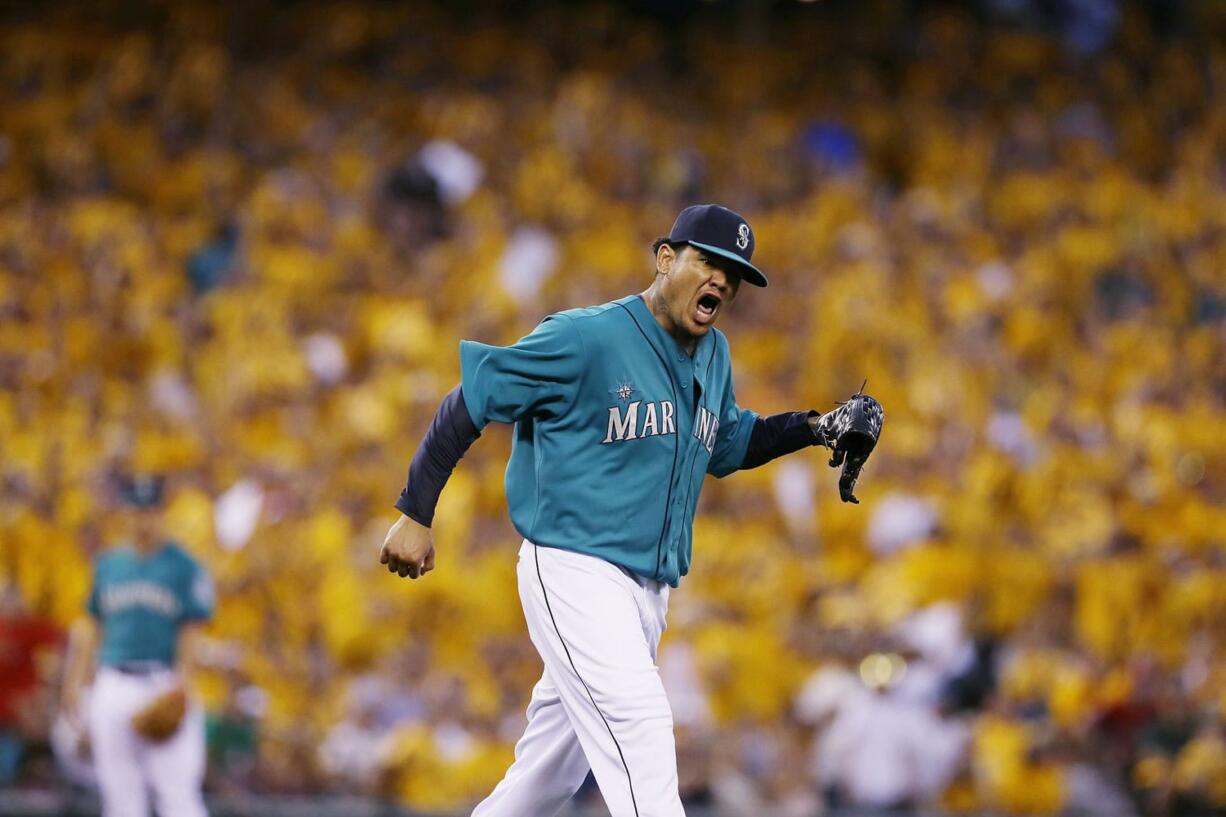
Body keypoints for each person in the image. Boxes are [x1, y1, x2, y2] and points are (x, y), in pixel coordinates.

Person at [380, 204, 883, 817]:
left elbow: (725, 443)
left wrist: (815, 426)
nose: (722, 280)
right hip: (575, 571)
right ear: (666, 259)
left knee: (545, 781)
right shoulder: (586, 336)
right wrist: (416, 511)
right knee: (641, 727)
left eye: (734, 273)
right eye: (710, 262)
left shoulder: (713, 353)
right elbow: (473, 396)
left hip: (646, 594)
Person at [61, 475, 214, 817]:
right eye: (136, 510)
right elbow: (92, 627)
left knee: (178, 796)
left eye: (150, 510)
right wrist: (76, 683)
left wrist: (183, 684)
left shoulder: (184, 566)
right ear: (125, 514)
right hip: (113, 682)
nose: (143, 518)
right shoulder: (108, 565)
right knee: (120, 798)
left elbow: (192, 631)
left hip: (162, 681)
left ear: (161, 513)